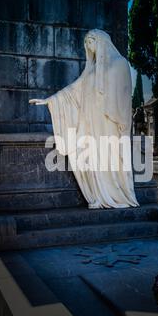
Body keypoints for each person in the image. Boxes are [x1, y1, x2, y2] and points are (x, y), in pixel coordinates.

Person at [29, 29, 139, 209]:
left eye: (91, 41)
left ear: (101, 41)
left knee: (106, 156)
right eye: (86, 43)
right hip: (90, 122)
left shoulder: (120, 63)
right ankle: (97, 194)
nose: (88, 46)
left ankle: (114, 194)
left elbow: (125, 95)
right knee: (87, 154)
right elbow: (72, 91)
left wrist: (120, 119)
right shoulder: (91, 70)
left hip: (109, 122)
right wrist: (49, 101)